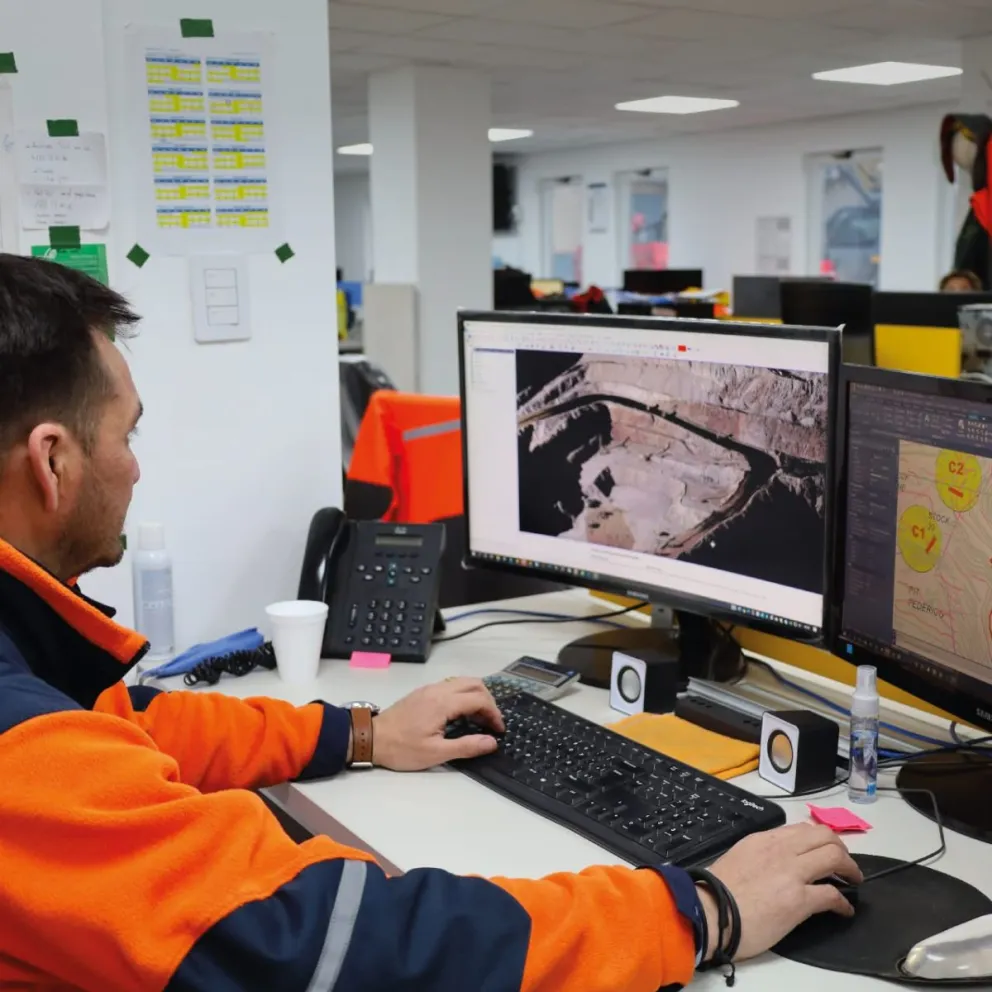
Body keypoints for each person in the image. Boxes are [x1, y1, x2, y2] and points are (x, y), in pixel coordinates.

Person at [0, 254, 860, 991]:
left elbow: (125, 727)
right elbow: (329, 942)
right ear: (52, 461)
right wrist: (702, 912)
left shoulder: (31, 690)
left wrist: (363, 733)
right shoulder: (19, 752)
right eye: (126, 435)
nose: (136, 467)